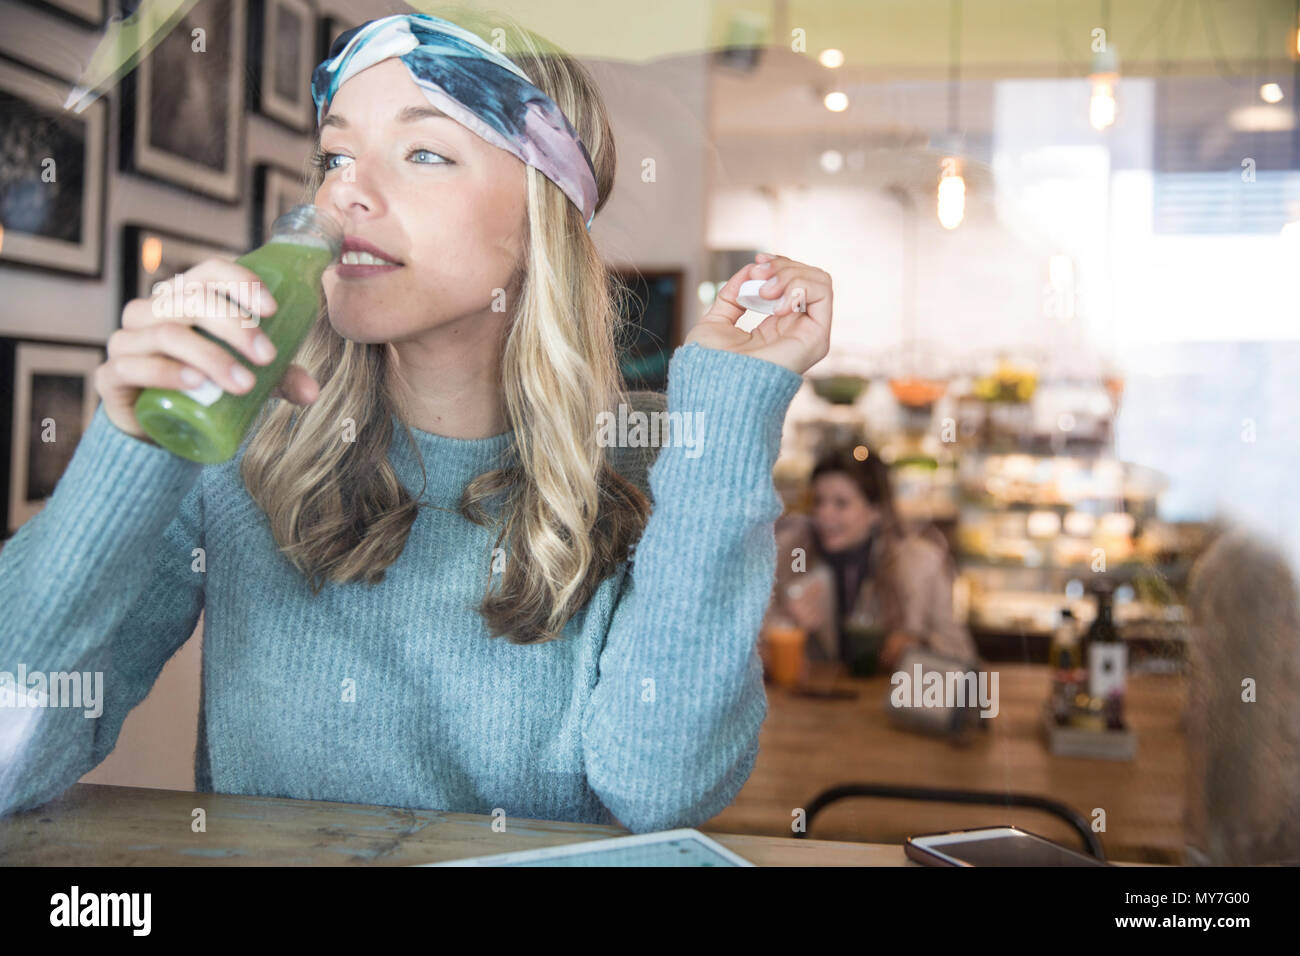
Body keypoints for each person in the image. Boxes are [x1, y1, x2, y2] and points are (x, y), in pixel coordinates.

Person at [0, 9, 834, 833]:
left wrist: (722, 418)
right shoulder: (242, 442)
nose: (343, 193)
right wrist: (130, 451)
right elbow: (10, 759)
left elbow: (665, 790)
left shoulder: (651, 459)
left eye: (425, 152)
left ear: (543, 216)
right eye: (334, 155)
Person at [766, 444, 976, 672]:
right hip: (811, 703)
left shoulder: (921, 563)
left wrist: (917, 647)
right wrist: (786, 625)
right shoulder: (789, 555)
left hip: (888, 702)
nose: (824, 514)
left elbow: (961, 655)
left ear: (875, 511)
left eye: (841, 503)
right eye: (818, 501)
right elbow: (752, 646)